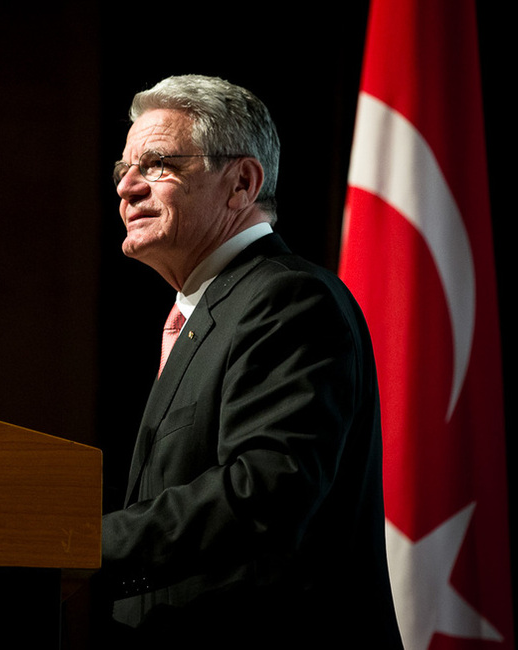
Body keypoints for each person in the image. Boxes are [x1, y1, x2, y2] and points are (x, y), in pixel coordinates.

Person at [95, 75, 403, 648]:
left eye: (156, 164)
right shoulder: (207, 310)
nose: (127, 188)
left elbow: (266, 489)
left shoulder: (286, 299)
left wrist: (83, 542)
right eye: (122, 169)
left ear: (241, 182)